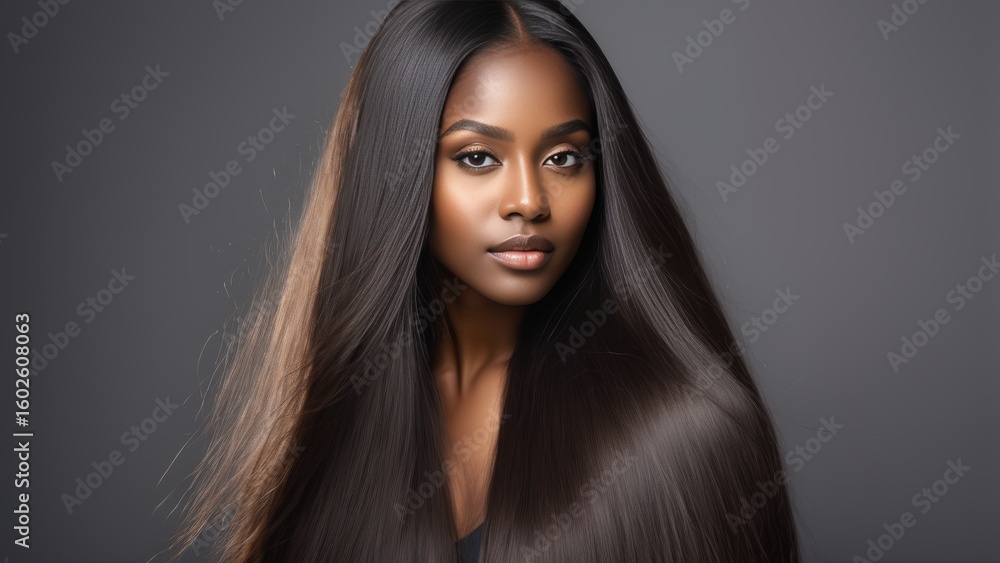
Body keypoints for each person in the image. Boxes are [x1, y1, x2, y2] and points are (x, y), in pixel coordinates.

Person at [167, 1, 801, 561]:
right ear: (397, 171)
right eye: (477, 157)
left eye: (563, 158)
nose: (528, 199)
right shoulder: (331, 427)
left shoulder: (690, 439)